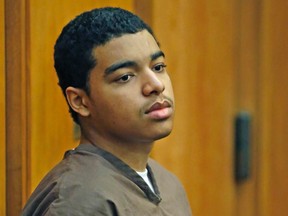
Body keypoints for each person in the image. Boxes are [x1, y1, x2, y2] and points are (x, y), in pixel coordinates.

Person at [21, 7, 192, 215]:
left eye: (158, 67)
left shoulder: (167, 184)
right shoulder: (79, 200)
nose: (156, 85)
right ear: (80, 101)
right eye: (125, 77)